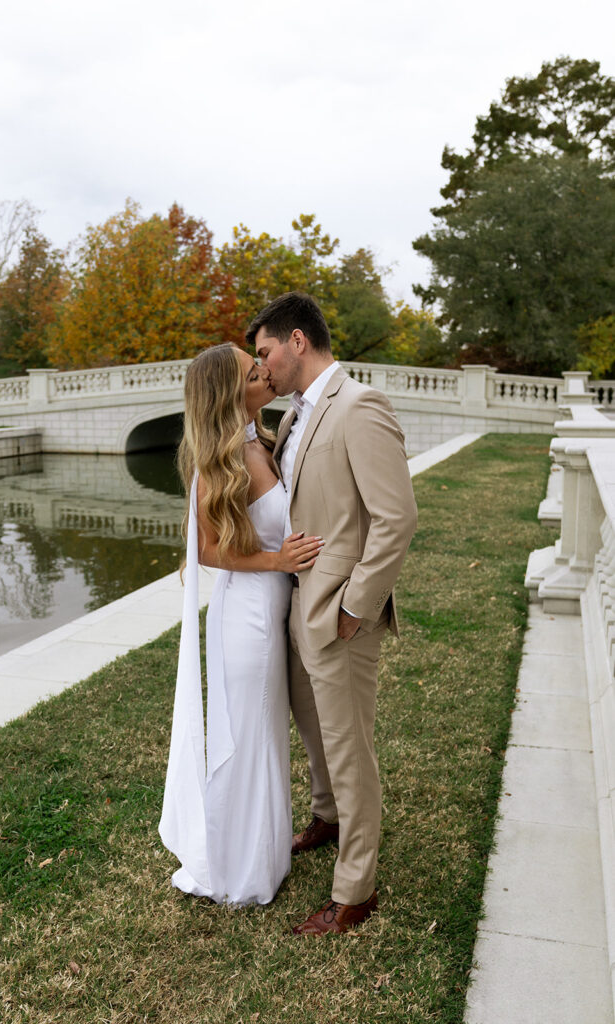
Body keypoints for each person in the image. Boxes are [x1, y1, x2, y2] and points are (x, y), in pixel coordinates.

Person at [247, 292, 418, 935]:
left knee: (349, 748)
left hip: (339, 613)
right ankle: (328, 815)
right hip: (298, 608)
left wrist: (356, 604)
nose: (261, 368)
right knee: (313, 729)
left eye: (265, 353)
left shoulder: (360, 406)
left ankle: (355, 891)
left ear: (298, 340)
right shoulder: (293, 416)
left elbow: (395, 518)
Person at [159, 343, 323, 905]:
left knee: (266, 732)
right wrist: (278, 560)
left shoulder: (261, 439)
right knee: (247, 735)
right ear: (233, 393)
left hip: (270, 606)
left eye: (262, 367)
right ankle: (237, 870)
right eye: (256, 375)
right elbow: (206, 550)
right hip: (246, 615)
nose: (268, 375)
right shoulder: (219, 458)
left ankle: (265, 854)